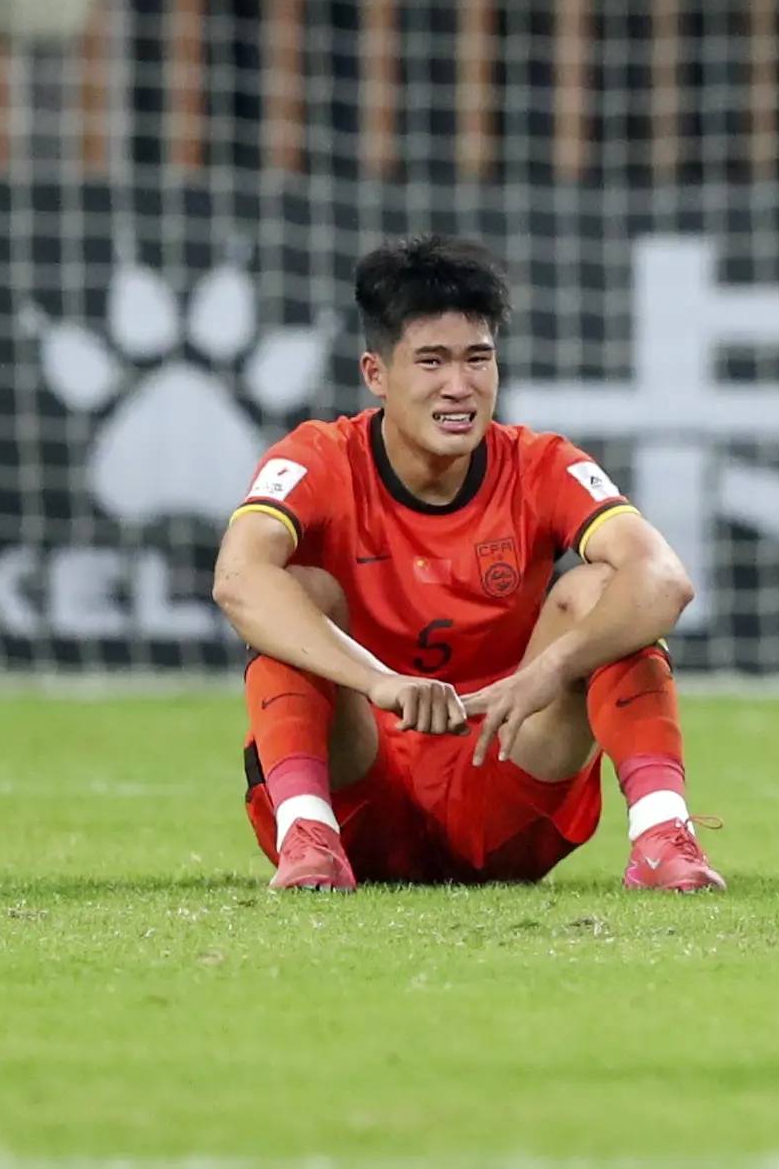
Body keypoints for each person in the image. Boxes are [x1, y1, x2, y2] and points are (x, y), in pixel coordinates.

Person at [210, 234, 722, 893]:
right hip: (360, 794)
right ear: (375, 373)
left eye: (478, 360)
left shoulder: (541, 465)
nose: (460, 386)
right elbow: (238, 579)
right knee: (293, 596)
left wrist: (548, 672)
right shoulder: (318, 459)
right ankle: (307, 832)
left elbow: (663, 580)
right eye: (431, 361)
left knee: (604, 593)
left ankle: (662, 836)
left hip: (504, 786)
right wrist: (378, 681)